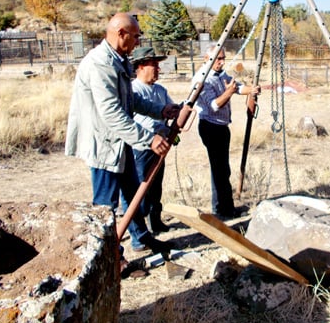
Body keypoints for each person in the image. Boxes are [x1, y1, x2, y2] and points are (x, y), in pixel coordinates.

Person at [65, 13, 180, 253]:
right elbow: (111, 112)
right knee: (105, 207)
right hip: (104, 145)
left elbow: (131, 100)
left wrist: (161, 110)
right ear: (121, 33)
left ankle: (141, 238)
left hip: (120, 141)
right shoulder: (100, 64)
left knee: (132, 192)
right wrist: (149, 138)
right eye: (135, 36)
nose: (137, 42)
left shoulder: (117, 59)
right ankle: (107, 257)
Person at [195, 46, 260, 219]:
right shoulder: (202, 79)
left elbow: (237, 87)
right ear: (206, 58)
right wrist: (229, 92)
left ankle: (226, 207)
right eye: (218, 59)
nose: (221, 62)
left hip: (222, 127)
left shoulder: (220, 74)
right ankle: (221, 210)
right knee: (219, 170)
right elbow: (214, 105)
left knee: (223, 169)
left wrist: (251, 90)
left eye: (223, 58)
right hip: (210, 126)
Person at [130, 46, 174, 233]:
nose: (158, 69)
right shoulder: (133, 90)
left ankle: (155, 220)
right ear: (140, 66)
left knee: (156, 186)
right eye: (153, 65)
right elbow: (141, 120)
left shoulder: (160, 90)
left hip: (160, 144)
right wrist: (161, 128)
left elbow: (169, 109)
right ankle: (141, 228)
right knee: (142, 187)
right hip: (142, 146)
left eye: (158, 65)